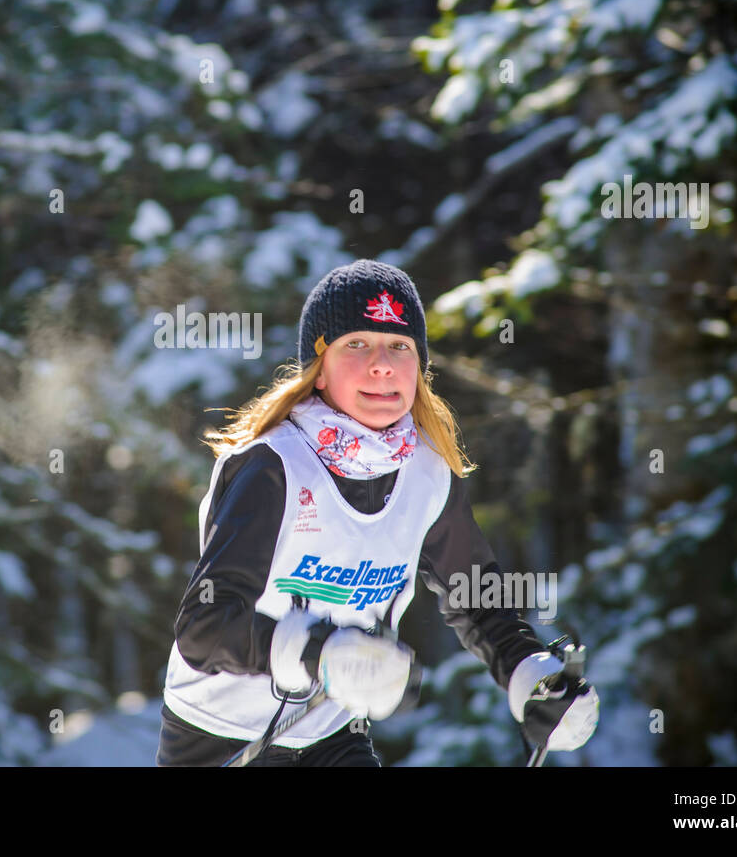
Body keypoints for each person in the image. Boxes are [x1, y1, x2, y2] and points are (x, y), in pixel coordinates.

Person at [156, 259, 599, 766]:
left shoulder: (426, 474)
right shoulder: (274, 468)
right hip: (220, 735)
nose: (382, 364)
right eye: (357, 344)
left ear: (419, 367)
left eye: (399, 346)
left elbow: (476, 595)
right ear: (318, 370)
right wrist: (316, 654)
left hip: (331, 735)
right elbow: (203, 626)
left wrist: (529, 670)